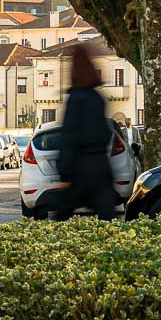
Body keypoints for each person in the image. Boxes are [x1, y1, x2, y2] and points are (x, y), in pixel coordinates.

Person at [50, 44, 118, 221]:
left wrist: (65, 172)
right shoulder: (98, 98)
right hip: (101, 166)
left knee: (61, 215)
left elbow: (69, 137)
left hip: (80, 168)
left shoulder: (75, 99)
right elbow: (106, 132)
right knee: (108, 218)